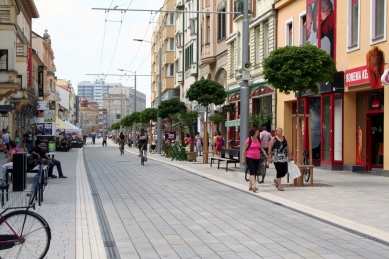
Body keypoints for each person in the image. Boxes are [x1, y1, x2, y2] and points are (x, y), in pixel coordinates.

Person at [242, 127, 267, 193]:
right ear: (253, 133)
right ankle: (254, 187)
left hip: (257, 158)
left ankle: (250, 186)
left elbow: (261, 148)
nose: (258, 134)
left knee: (254, 173)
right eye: (257, 132)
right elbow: (244, 150)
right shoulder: (248, 140)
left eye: (258, 132)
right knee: (252, 172)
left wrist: (265, 154)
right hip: (249, 157)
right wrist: (243, 159)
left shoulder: (259, 140)